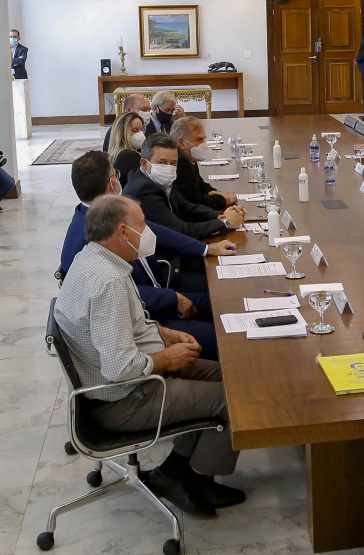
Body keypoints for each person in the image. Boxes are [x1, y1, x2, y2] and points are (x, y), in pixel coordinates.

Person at [55, 195, 244, 518]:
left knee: (233, 376)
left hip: (135, 376)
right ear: (123, 231)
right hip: (124, 398)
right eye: (142, 225)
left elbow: (129, 325)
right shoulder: (108, 283)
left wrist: (166, 334)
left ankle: (176, 471)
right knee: (235, 400)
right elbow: (120, 368)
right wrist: (168, 359)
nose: (149, 232)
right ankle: (197, 479)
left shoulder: (94, 259)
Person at [61, 151, 232, 360]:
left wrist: (206, 249)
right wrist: (172, 299)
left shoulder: (105, 212)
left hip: (160, 291)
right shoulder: (91, 237)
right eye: (116, 174)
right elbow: (115, 292)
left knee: (224, 300)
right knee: (225, 336)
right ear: (111, 183)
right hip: (148, 317)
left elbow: (159, 232)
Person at [123, 134, 246, 240]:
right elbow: (178, 231)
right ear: (144, 163)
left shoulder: (155, 179)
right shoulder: (143, 190)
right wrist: (225, 223)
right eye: (162, 162)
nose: (168, 168)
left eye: (173, 163)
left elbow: (186, 207)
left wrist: (219, 216)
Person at [170, 116, 237, 211]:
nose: (204, 144)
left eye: (204, 139)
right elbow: (197, 202)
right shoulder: (180, 163)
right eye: (199, 140)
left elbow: (199, 183)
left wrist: (215, 192)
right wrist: (224, 199)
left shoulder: (189, 156)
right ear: (181, 143)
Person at [108, 112, 144, 188]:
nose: (140, 134)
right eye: (135, 130)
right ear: (122, 134)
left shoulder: (121, 153)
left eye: (141, 130)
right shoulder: (127, 156)